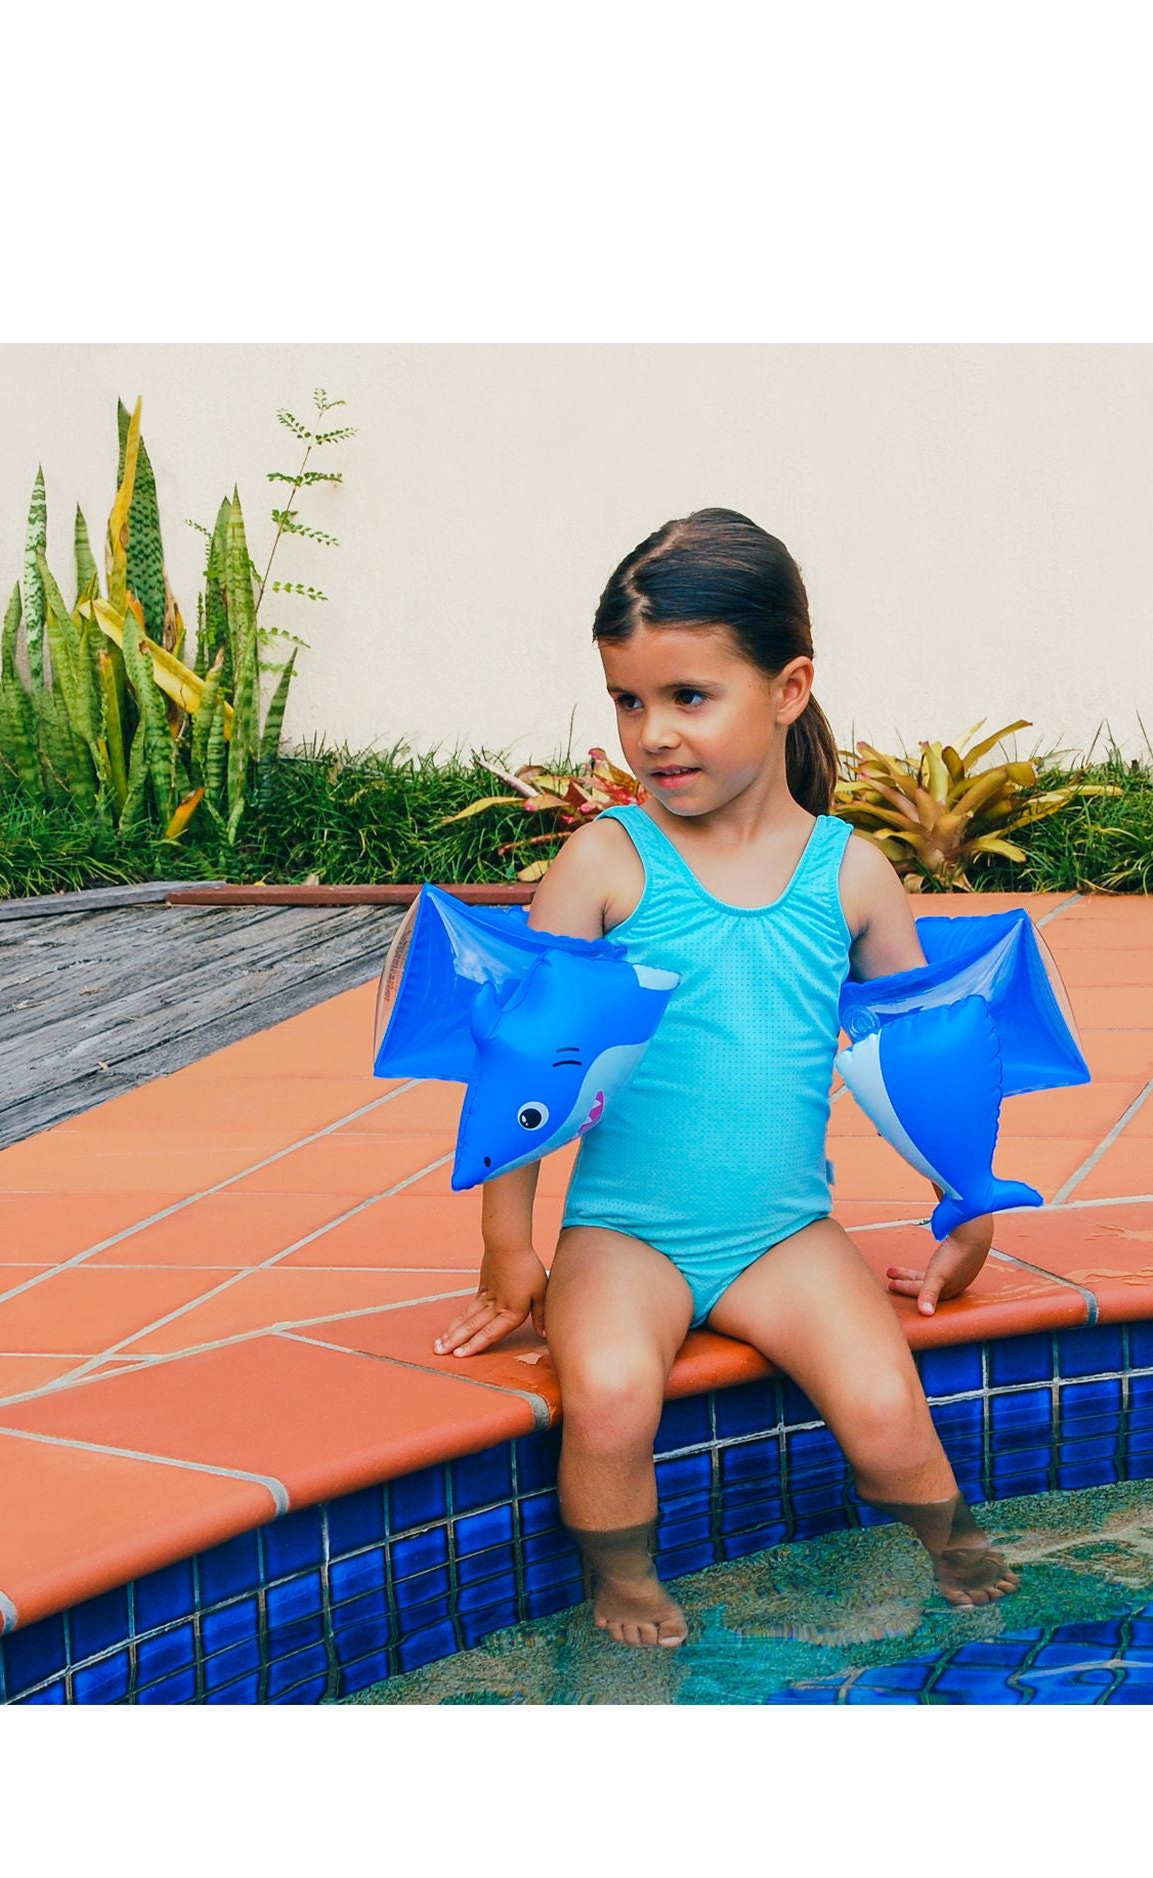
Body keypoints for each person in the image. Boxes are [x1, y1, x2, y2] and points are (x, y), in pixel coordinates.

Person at [431, 508, 1019, 1649]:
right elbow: (521, 1065)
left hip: (780, 1230)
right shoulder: (607, 861)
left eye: (688, 697)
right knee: (610, 1397)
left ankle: (956, 1550)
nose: (651, 733)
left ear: (789, 688)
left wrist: (969, 1206)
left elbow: (922, 1056)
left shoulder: (849, 874)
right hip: (625, 1233)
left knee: (886, 1404)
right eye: (627, 700)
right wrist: (508, 1244)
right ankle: (622, 1580)